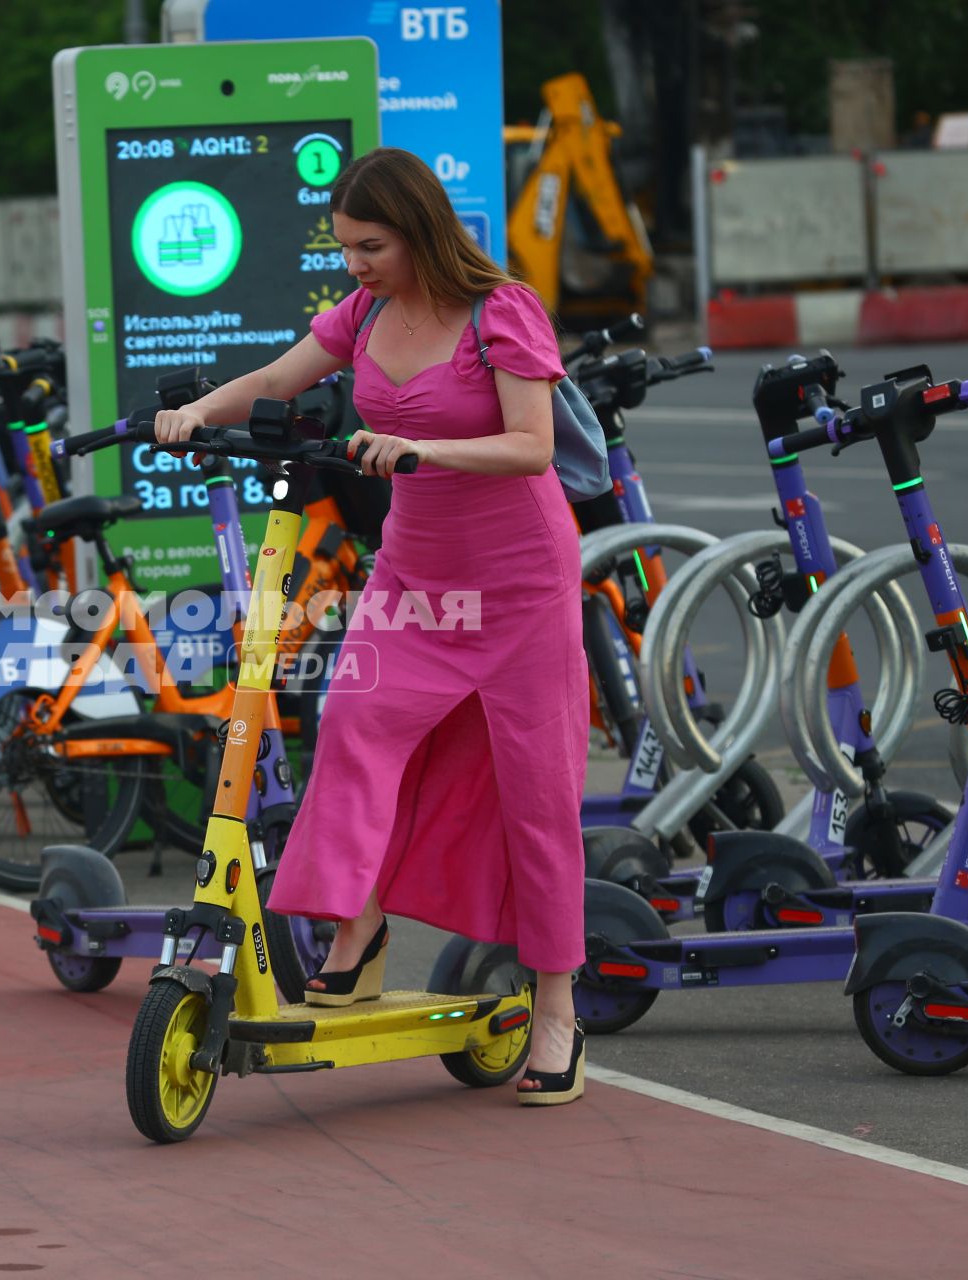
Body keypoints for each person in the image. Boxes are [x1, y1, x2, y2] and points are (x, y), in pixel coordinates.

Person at [153, 148, 588, 1105]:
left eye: (371, 245)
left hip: (519, 586)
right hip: (416, 579)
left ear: (419, 230)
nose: (355, 263)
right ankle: (360, 927)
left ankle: (556, 1009)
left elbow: (532, 446)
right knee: (354, 729)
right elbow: (277, 376)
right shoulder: (365, 315)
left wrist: (418, 445)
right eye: (346, 246)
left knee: (539, 798)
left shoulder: (499, 311)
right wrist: (190, 412)